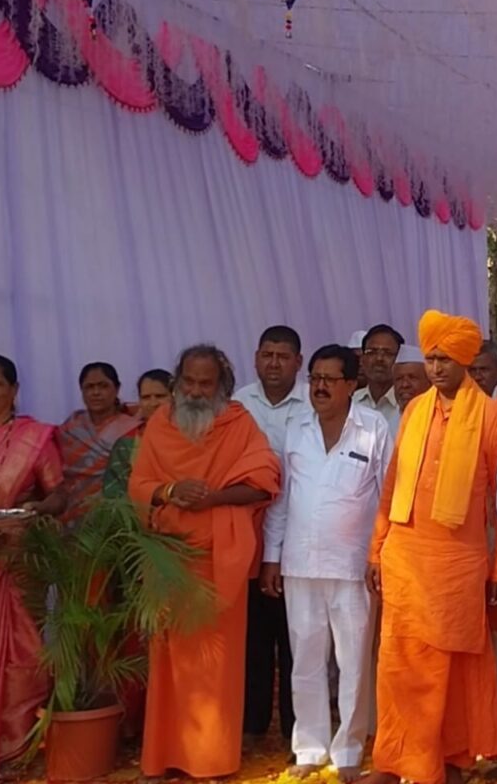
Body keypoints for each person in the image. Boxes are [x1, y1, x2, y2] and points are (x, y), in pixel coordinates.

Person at [363, 310, 497, 784]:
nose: (436, 368)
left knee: (447, 666)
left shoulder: (488, 416)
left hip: (457, 564)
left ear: (464, 360)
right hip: (405, 556)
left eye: (445, 359)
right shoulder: (414, 410)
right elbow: (393, 483)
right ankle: (395, 760)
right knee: (398, 663)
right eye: (431, 359)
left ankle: (448, 757)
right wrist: (376, 548)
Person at [129, 344, 281, 780]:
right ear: (177, 382)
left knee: (216, 667)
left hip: (218, 564)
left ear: (222, 387)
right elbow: (139, 484)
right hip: (169, 562)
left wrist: (213, 498)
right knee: (169, 666)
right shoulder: (161, 423)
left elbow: (264, 482)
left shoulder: (238, 423)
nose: (196, 392)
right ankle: (163, 757)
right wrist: (170, 492)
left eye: (205, 383)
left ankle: (210, 759)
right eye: (189, 382)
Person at [262, 345, 392, 781]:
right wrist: (271, 557)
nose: (319, 386)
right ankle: (310, 748)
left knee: (354, 662)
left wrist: (380, 555)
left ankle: (349, 751)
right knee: (305, 659)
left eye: (329, 379)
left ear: (351, 385)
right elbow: (282, 500)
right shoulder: (296, 428)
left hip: (354, 566)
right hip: (300, 563)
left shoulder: (373, 428)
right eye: (314, 378)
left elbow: (387, 498)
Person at [0, 355, 66, 784]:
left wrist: (35, 508)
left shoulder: (33, 439)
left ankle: (9, 749)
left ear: (14, 390)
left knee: (19, 661)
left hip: (15, 565)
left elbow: (59, 496)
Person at [235, 326, 308, 744]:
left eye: (283, 356)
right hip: (247, 536)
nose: (274, 363)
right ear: (256, 359)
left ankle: (299, 727)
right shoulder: (238, 405)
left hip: (300, 536)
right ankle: (253, 725)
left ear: (298, 362)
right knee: (254, 636)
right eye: (267, 355)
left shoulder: (315, 403)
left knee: (295, 637)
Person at [59, 362, 141, 524]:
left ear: (117, 389)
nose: (96, 392)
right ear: (81, 391)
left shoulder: (132, 428)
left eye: (103, 386)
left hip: (118, 516)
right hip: (72, 515)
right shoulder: (71, 427)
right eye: (89, 387)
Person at [103, 369, 173, 498]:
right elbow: (114, 496)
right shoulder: (127, 444)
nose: (153, 403)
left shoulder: (193, 437)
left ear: (175, 398)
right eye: (146, 397)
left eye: (160, 396)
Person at [353, 324, 405, 437]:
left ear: (400, 359)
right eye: (372, 352)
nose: (379, 359)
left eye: (387, 353)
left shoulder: (408, 403)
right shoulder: (351, 402)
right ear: (362, 359)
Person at [392, 344, 428, 412]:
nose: (405, 384)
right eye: (399, 378)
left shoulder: (439, 416)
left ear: (429, 382)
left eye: (412, 377)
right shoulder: (384, 417)